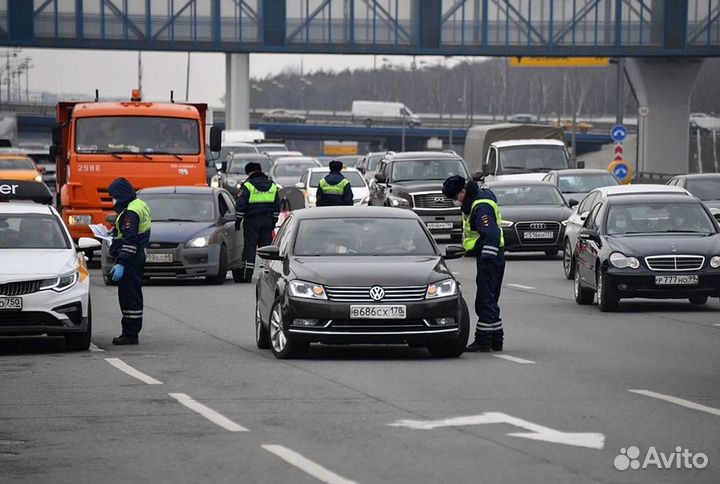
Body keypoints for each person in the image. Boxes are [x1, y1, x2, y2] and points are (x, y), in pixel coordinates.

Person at [443, 175, 505, 353]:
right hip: (490, 256)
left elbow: (491, 234)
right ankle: (496, 339)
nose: (456, 201)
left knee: (485, 301)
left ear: (463, 191)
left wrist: (486, 256)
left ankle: (483, 340)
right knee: (490, 300)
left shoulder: (481, 206)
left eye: (456, 197)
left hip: (490, 257)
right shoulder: (475, 201)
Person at [107, 177, 151, 345]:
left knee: (129, 296)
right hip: (137, 256)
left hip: (130, 259)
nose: (113, 200)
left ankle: (130, 334)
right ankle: (131, 331)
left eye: (114, 196)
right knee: (133, 294)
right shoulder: (139, 204)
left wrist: (121, 263)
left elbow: (131, 241)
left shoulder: (130, 213)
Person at [235, 162, 280, 282]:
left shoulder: (248, 185)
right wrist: (273, 221)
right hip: (267, 221)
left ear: (249, 172)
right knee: (267, 250)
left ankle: (246, 276)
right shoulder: (272, 185)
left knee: (250, 248)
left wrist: (238, 221)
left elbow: (241, 205)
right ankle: (270, 277)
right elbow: (277, 206)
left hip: (252, 221)